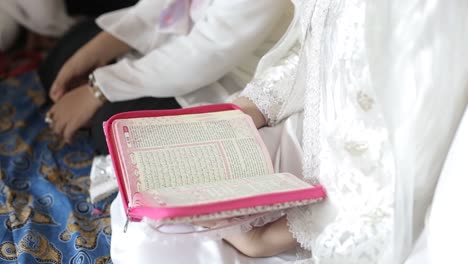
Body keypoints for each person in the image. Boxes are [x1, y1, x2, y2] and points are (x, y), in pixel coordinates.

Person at [110, 0, 468, 263]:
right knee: (150, 214)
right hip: (308, 133)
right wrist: (244, 112)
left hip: (358, 205)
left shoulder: (426, 14)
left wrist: (268, 238)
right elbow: (314, 47)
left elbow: (396, 169)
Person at [44, 0, 292, 155]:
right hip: (183, 33)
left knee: (112, 129)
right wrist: (101, 48)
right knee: (61, 60)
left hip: (230, 70)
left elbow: (206, 53)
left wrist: (98, 89)